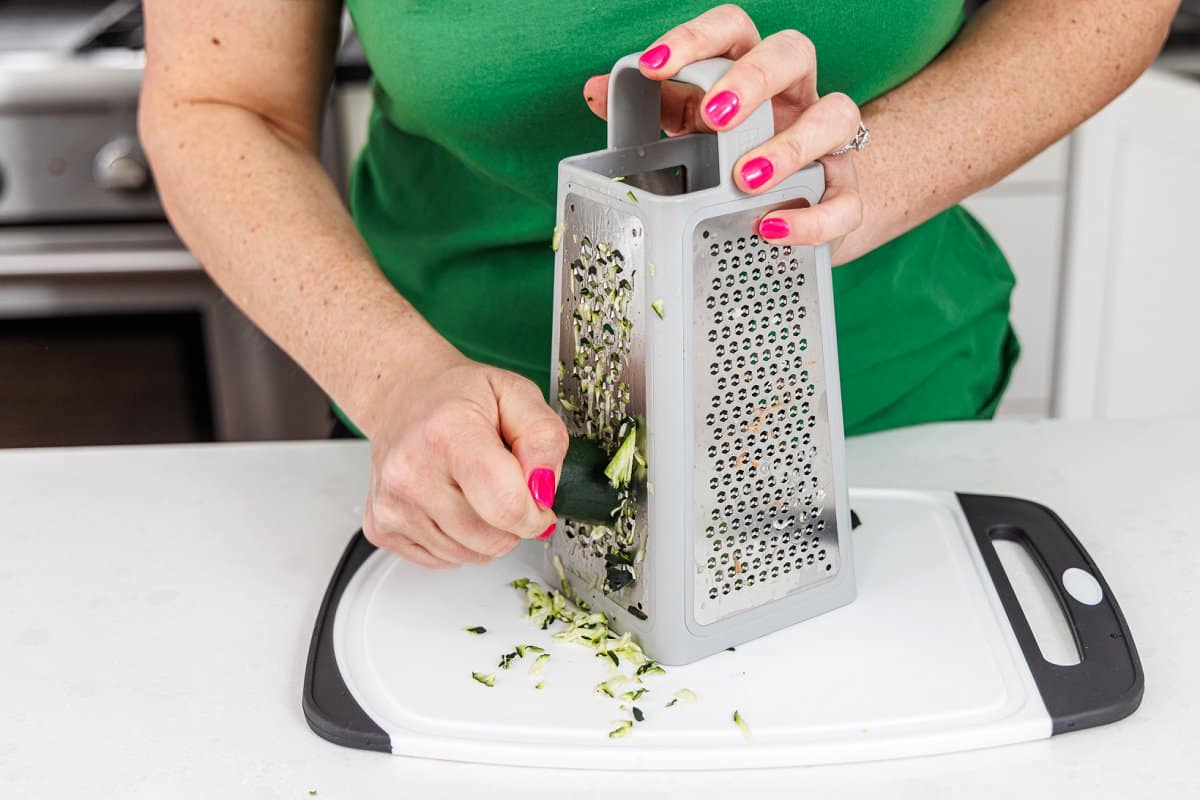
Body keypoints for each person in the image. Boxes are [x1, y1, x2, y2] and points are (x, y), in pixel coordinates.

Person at [139, 1, 1178, 568]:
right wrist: (396, 376)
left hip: (895, 413)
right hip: (465, 465)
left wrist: (867, 169)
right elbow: (218, 101)